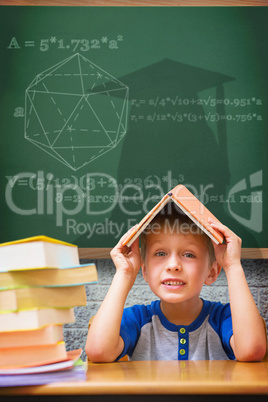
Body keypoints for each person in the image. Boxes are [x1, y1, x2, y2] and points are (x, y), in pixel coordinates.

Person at [85, 204, 267, 362]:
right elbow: (98, 352)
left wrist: (233, 266)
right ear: (145, 271)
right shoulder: (138, 319)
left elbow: (251, 350)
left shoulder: (223, 319)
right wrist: (124, 274)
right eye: (160, 253)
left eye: (189, 255)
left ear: (211, 272)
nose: (173, 265)